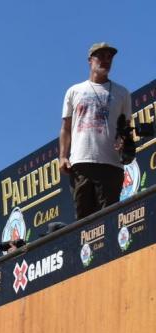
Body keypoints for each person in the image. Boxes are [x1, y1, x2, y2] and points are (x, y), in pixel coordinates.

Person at [59, 42, 133, 219]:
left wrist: (125, 143)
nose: (106, 60)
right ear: (90, 60)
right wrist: (62, 156)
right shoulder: (74, 91)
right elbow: (66, 128)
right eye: (101, 56)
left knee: (109, 219)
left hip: (110, 163)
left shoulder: (122, 93)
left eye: (110, 57)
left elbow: (126, 128)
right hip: (80, 162)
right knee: (83, 220)